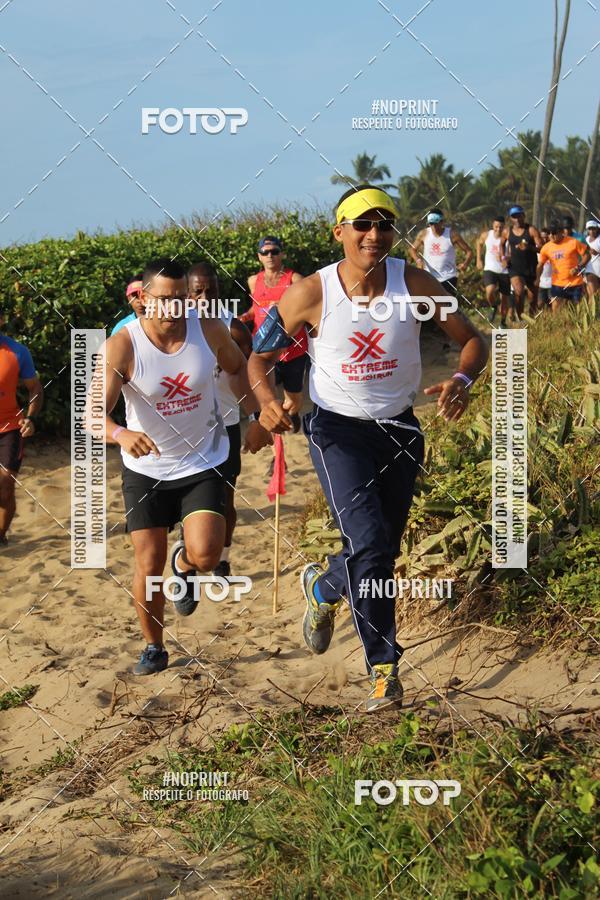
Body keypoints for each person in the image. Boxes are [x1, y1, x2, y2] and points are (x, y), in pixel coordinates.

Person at [248, 186, 488, 713]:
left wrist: (464, 379)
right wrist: (266, 402)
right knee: (374, 547)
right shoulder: (311, 292)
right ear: (340, 233)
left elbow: (472, 338)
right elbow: (258, 355)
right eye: (362, 224)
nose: (374, 235)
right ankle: (384, 668)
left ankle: (324, 586)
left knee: (377, 549)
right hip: (337, 432)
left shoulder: (416, 281)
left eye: (384, 224)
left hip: (400, 429)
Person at [91, 259, 270, 675]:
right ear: (142, 299)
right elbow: (91, 414)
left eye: (180, 299)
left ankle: (186, 566)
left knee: (208, 555)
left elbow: (238, 368)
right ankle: (154, 646)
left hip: (202, 458)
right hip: (146, 468)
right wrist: (120, 434)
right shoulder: (123, 345)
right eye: (163, 300)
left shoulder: (207, 329)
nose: (173, 309)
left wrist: (256, 417)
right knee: (147, 564)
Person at [188, 261, 254, 578]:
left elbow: (253, 376)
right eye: (197, 291)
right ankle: (187, 554)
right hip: (185, 428)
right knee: (185, 498)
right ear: (186, 294)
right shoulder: (175, 331)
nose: (204, 298)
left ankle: (223, 558)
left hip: (225, 427)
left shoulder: (235, 330)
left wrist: (257, 416)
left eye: (210, 291)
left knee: (225, 498)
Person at [241, 236, 307, 432]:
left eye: (274, 251)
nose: (270, 255)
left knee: (293, 399)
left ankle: (292, 415)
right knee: (264, 394)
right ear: (259, 256)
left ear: (282, 254)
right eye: (265, 252)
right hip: (264, 350)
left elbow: (305, 312)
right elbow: (256, 308)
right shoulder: (254, 281)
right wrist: (243, 317)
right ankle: (272, 431)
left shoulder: (295, 280)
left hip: (293, 350)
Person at [0, 318, 43, 545]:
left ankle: (0, 535)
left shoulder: (16, 351)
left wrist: (31, 417)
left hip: (10, 428)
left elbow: (34, 387)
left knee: (5, 485)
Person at [409, 208, 473, 295]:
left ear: (442, 222)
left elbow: (469, 251)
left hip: (449, 278)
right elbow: (412, 249)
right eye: (431, 224)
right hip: (429, 277)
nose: (433, 227)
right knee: (430, 306)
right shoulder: (423, 234)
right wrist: (418, 260)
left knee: (447, 307)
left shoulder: (452, 234)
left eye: (436, 223)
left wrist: (465, 264)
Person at [536, 221, 590, 313]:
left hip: (575, 283)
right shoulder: (546, 248)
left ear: (561, 232)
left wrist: (578, 267)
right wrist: (537, 279)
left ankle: (574, 327)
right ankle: (559, 326)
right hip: (558, 284)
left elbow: (587, 255)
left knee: (577, 312)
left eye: (554, 233)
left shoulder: (573, 242)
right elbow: (540, 265)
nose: (551, 235)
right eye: (549, 233)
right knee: (556, 311)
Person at [502, 205, 542, 318]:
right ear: (511, 219)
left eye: (519, 216)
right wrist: (503, 257)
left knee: (532, 298)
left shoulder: (531, 230)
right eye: (514, 217)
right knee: (519, 292)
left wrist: (529, 247)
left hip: (531, 267)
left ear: (523, 216)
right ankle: (520, 318)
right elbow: (501, 244)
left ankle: (532, 319)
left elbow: (541, 248)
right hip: (515, 268)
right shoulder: (507, 232)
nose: (517, 219)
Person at [476, 216, 510, 324]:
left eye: (500, 227)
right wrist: (478, 260)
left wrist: (506, 258)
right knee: (489, 291)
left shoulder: (508, 237)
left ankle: (503, 322)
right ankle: (493, 306)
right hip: (490, 268)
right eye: (496, 227)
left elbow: (512, 252)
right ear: (493, 226)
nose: (498, 229)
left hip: (504, 271)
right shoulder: (486, 235)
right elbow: (479, 243)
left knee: (504, 298)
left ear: (504, 226)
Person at [584, 220, 600, 300]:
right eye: (590, 229)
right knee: (593, 295)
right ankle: (589, 312)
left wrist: (597, 253)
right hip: (590, 271)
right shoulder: (585, 240)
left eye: (594, 229)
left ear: (597, 229)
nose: (592, 231)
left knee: (597, 296)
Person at [538, 229, 553, 309]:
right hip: (541, 281)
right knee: (540, 304)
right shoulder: (536, 250)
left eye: (546, 237)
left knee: (552, 304)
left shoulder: (554, 249)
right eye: (542, 237)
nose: (544, 240)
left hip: (553, 281)